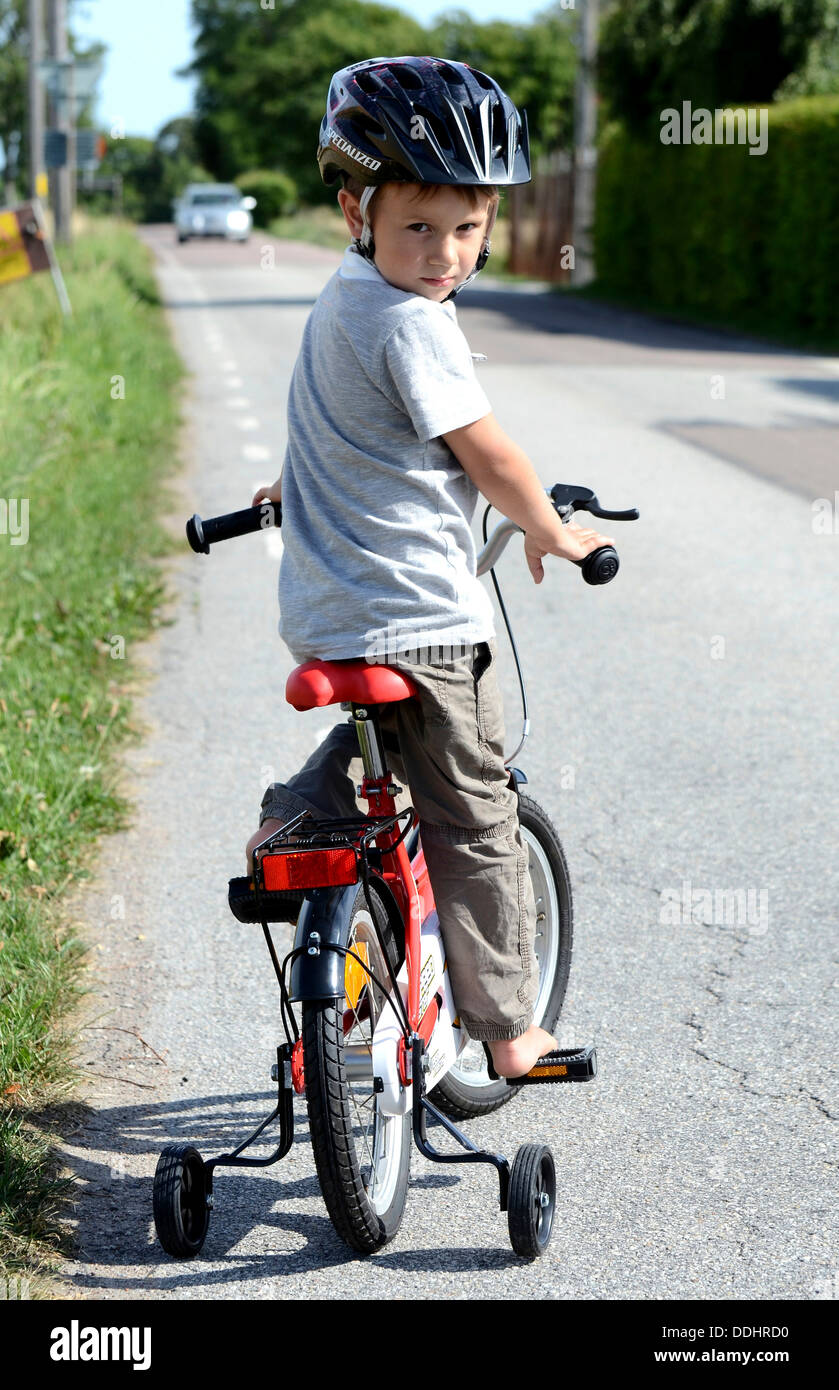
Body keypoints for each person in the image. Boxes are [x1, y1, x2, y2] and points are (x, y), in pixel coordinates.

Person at [245, 56, 613, 1078]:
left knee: (382, 755)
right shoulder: (416, 324)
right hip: (424, 618)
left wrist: (292, 483)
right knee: (477, 813)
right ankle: (507, 1030)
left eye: (466, 226)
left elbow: (337, 421)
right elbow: (484, 451)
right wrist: (546, 527)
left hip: (332, 611)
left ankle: (300, 821)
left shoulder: (343, 300)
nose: (444, 252)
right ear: (355, 210)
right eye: (418, 226)